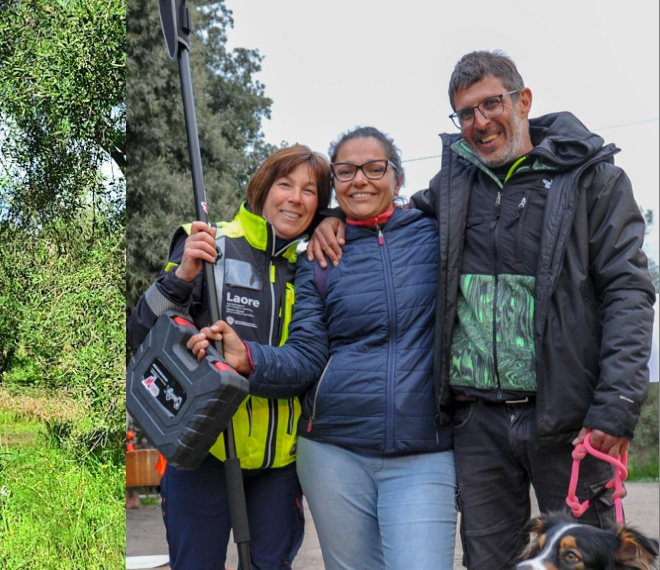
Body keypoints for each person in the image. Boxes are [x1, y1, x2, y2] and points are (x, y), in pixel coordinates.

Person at [307, 51, 656, 570]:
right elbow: (383, 213)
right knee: (489, 561)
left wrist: (617, 404)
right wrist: (331, 217)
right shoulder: (453, 186)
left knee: (589, 557)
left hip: (569, 417)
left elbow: (629, 292)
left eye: (491, 104)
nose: (480, 122)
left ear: (523, 101)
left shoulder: (595, 180)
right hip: (478, 424)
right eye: (465, 113)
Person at [191, 127, 458, 570]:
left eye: (375, 168)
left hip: (423, 452)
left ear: (398, 177)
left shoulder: (434, 235)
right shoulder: (317, 259)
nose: (361, 180)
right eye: (347, 171)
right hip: (334, 452)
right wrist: (250, 358)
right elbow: (307, 357)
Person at [127, 144, 332, 570]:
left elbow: (307, 362)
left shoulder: (314, 265)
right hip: (203, 453)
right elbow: (140, 334)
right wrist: (180, 280)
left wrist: (244, 357)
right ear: (262, 188)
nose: (296, 198)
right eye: (285, 184)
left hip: (279, 466)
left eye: (310, 191)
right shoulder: (206, 243)